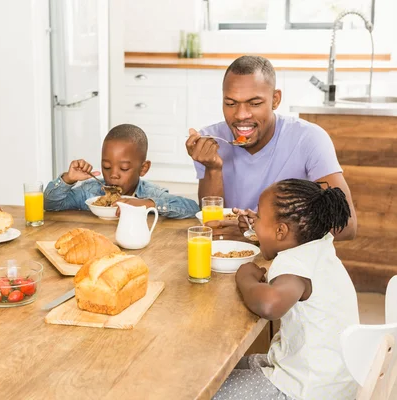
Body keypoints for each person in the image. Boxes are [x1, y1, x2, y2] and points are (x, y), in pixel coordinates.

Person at [213, 179, 359, 400]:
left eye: (259, 216)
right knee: (220, 368)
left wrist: (245, 277)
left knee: (208, 391)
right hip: (333, 379)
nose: (254, 222)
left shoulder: (296, 262)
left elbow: (269, 305)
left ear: (281, 231)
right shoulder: (318, 246)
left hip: (306, 390)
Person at [185, 55, 356, 240]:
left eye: (255, 103)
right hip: (228, 254)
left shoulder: (309, 139)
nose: (241, 115)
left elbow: (346, 226)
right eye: (230, 103)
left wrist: (257, 232)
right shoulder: (212, 140)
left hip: (289, 259)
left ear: (275, 100)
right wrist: (212, 168)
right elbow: (213, 224)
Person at [44, 124, 199, 219]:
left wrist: (148, 204)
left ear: (143, 168)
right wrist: (68, 179)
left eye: (124, 168)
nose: (113, 174)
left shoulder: (150, 193)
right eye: (106, 167)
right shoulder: (90, 191)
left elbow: (192, 208)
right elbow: (50, 204)